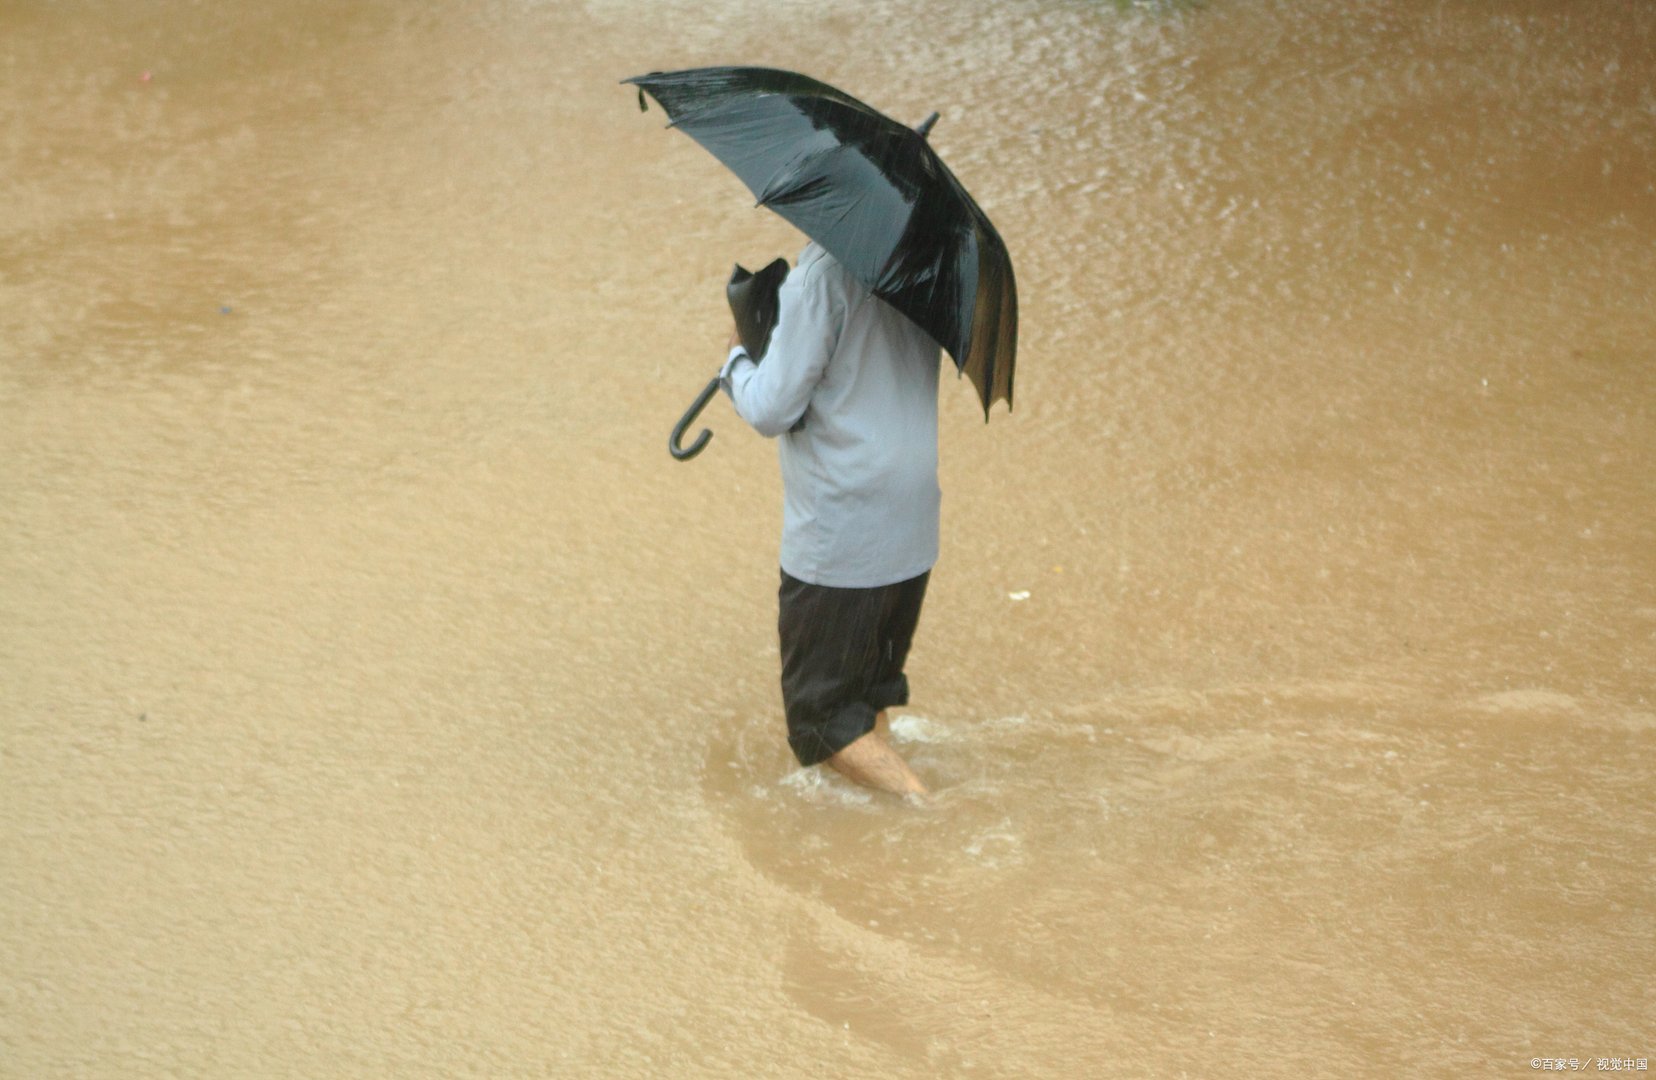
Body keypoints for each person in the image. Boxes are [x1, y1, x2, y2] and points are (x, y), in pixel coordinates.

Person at [719, 240, 941, 798]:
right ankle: (886, 824)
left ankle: (925, 814)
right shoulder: (925, 256)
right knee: (864, 699)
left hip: (843, 529)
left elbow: (771, 408)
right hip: (911, 519)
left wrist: (735, 361)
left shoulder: (820, 274)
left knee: (819, 723)